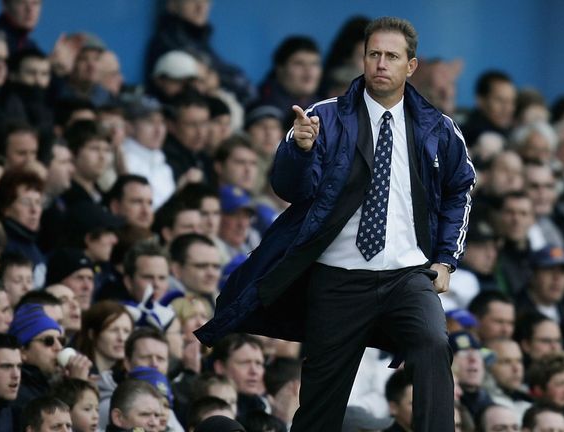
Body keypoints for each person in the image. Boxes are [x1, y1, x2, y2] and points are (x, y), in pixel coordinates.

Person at [196, 17, 476, 432]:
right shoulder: (322, 117)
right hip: (337, 277)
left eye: (392, 56)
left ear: (411, 66)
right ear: (363, 59)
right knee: (320, 406)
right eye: (374, 54)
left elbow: (460, 190)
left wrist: (446, 260)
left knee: (433, 343)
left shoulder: (439, 128)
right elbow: (288, 187)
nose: (381, 63)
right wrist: (301, 149)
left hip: (407, 275)